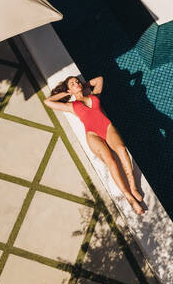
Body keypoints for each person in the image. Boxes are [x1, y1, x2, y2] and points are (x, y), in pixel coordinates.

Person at [44, 76, 145, 215]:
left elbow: (100, 79)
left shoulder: (94, 95)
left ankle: (133, 186)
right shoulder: (71, 106)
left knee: (121, 149)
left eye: (77, 81)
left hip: (107, 127)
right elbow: (48, 101)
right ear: (69, 89)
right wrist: (67, 93)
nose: (77, 83)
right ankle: (129, 198)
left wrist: (83, 85)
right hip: (92, 134)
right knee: (112, 163)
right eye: (73, 83)